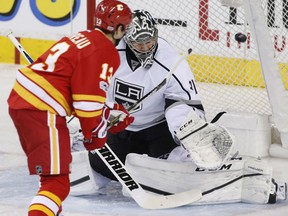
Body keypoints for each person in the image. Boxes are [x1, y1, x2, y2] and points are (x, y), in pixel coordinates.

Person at [69, 9, 287, 206]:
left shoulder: (172, 61)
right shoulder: (108, 55)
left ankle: (238, 176)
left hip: (157, 131)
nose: (146, 47)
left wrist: (186, 129)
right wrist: (105, 112)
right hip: (121, 129)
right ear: (126, 39)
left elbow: (188, 104)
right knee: (95, 165)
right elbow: (91, 89)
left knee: (176, 157)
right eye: (139, 43)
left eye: (150, 41)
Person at [7, 1, 133, 215]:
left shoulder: (83, 37)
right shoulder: (105, 50)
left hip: (25, 102)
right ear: (118, 28)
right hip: (42, 110)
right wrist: (95, 135)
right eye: (126, 27)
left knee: (51, 178)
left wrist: (110, 110)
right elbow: (86, 103)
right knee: (56, 183)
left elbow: (77, 90)